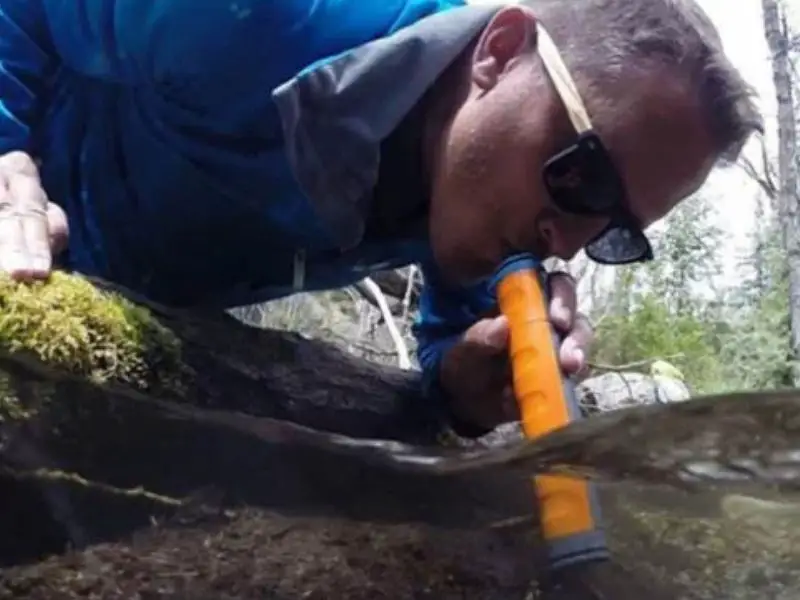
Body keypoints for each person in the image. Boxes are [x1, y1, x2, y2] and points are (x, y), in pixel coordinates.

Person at [0, 1, 758, 440]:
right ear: (500, 52)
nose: (570, 239)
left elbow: (443, 357)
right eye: (584, 177)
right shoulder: (264, 16)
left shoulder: (475, 208)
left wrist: (464, 388)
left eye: (617, 229)